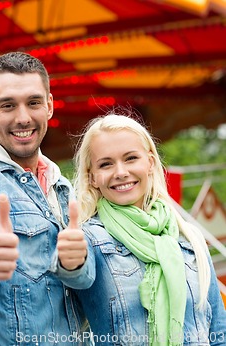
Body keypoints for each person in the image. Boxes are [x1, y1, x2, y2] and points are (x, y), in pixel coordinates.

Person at [0, 52, 95, 345]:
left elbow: (81, 283)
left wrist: (76, 264)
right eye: (8, 105)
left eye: (33, 103)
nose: (23, 118)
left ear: (49, 105)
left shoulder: (59, 183)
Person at [72, 113, 226, 345]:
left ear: (150, 162)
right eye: (106, 164)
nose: (120, 172)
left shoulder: (189, 237)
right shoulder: (87, 240)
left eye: (131, 158)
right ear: (92, 176)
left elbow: (218, 332)